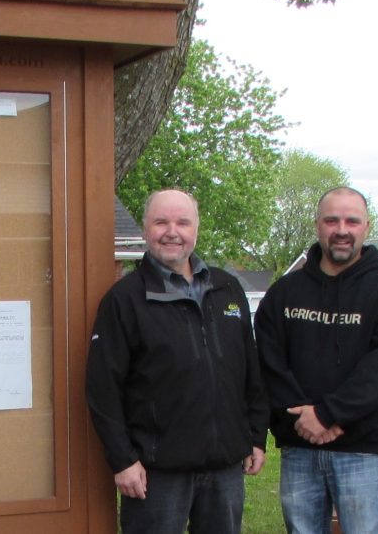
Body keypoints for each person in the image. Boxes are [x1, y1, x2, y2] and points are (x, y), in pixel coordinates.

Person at [85, 189, 268, 534]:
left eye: (182, 222)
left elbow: (250, 371)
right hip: (157, 473)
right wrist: (123, 460)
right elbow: (102, 389)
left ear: (196, 228)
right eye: (161, 222)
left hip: (225, 468)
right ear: (145, 230)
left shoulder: (227, 289)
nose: (172, 232)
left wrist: (256, 436)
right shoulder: (125, 300)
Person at [254, 186, 378, 534]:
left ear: (367, 227)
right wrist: (304, 419)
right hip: (300, 446)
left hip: (362, 450)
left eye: (352, 221)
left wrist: (328, 415)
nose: (342, 230)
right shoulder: (284, 293)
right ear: (317, 225)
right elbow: (269, 362)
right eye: (332, 220)